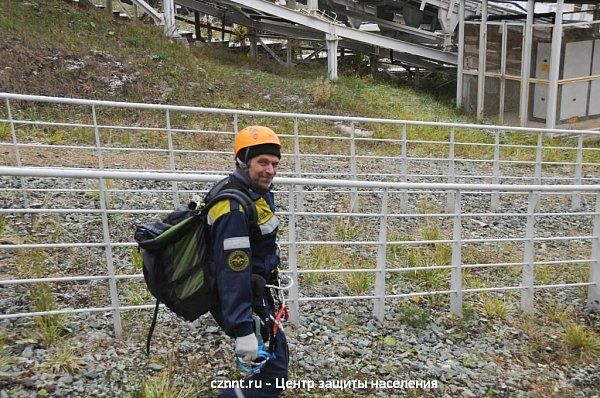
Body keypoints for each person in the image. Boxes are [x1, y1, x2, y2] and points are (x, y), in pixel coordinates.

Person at [208, 125, 289, 398]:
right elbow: (232, 271)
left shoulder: (253, 193)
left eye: (275, 164)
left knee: (273, 367)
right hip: (250, 300)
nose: (270, 170)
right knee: (274, 374)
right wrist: (243, 329)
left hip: (260, 294)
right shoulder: (232, 207)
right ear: (242, 162)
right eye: (262, 162)